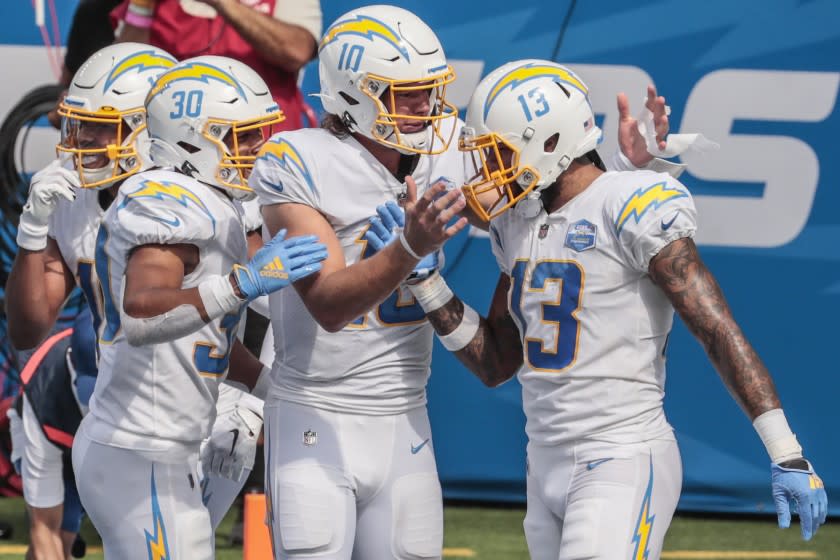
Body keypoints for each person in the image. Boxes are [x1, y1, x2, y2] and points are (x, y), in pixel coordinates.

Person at [249, 6, 682, 559]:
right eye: (403, 92)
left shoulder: (448, 142)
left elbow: (542, 206)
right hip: (315, 413)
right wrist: (410, 248)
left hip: (405, 413)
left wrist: (624, 173)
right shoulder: (297, 159)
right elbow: (329, 306)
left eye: (429, 89)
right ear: (354, 94)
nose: (424, 105)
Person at [368, 59, 828, 559]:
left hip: (620, 455)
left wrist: (786, 452)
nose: (487, 171)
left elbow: (716, 328)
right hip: (541, 461)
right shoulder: (517, 223)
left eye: (499, 152)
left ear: (548, 142)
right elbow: (496, 362)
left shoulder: (631, 204)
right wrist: (427, 282)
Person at [72, 55, 326, 559]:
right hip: (139, 451)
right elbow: (144, 316)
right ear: (192, 139)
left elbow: (201, 338)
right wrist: (243, 283)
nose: (260, 148)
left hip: (161, 452)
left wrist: (273, 394)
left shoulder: (213, 201)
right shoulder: (167, 197)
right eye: (243, 136)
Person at [113, 0, 322, 130]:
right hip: (179, 144)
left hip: (262, 142)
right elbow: (125, 71)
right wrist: (140, 6)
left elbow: (297, 50)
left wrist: (224, 3)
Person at [11, 309, 97, 560]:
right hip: (46, 431)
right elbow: (45, 527)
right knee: (52, 530)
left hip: (96, 443)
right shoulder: (43, 398)